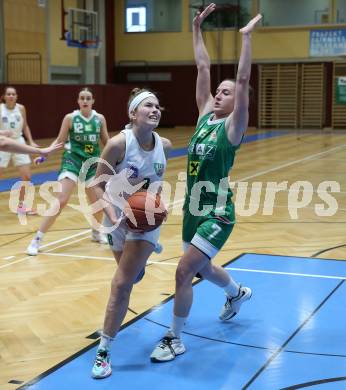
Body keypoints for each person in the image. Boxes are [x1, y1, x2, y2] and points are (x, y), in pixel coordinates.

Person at [150, 4, 262, 362]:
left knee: (184, 272)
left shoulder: (233, 126)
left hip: (218, 211)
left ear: (237, 103)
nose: (219, 94)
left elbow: (243, 81)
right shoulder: (203, 117)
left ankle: (174, 338)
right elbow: (202, 66)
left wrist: (245, 40)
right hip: (192, 209)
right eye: (218, 91)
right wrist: (196, 28)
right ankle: (236, 292)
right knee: (201, 268)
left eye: (226, 93)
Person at [90, 88, 172, 379]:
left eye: (158, 106)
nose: (155, 109)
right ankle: (139, 266)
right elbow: (96, 183)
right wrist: (113, 216)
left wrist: (159, 206)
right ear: (133, 113)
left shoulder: (164, 144)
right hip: (116, 218)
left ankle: (103, 353)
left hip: (145, 221)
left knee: (121, 284)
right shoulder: (117, 144)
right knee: (133, 276)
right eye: (148, 105)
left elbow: (157, 183)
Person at [26, 88, 110, 256]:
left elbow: (107, 142)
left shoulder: (99, 119)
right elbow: (59, 140)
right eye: (82, 98)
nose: (85, 100)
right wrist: (45, 155)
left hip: (92, 163)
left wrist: (119, 158)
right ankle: (37, 239)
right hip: (72, 161)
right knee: (62, 200)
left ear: (93, 101)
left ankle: (96, 232)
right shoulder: (70, 118)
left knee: (98, 202)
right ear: (78, 101)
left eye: (88, 98)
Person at [0, 86, 40, 214]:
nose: (11, 96)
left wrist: (31, 141)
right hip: (2, 142)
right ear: (4, 97)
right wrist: (2, 132)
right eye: (9, 94)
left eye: (13, 94)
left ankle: (23, 206)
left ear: (16, 96)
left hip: (18, 141)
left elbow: (26, 126)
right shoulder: (0, 109)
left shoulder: (21, 108)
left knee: (26, 176)